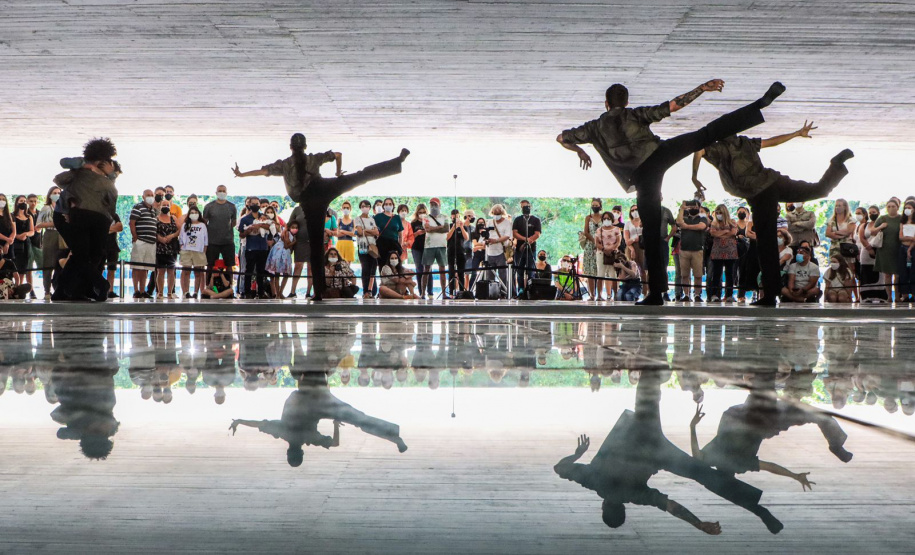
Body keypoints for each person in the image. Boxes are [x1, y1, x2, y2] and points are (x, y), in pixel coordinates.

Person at [559, 80, 783, 305]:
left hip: (642, 175)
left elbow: (561, 138)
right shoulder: (636, 114)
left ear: (606, 103)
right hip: (659, 155)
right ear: (626, 102)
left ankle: (656, 293)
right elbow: (674, 106)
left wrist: (579, 150)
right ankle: (760, 105)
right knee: (706, 133)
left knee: (652, 234)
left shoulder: (593, 127)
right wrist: (702, 88)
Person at [554, 371, 782, 535]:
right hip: (638, 431)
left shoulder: (635, 496)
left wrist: (698, 524)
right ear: (603, 507)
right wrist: (578, 453)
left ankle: (759, 509)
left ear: (622, 509)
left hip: (656, 450)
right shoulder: (593, 481)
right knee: (647, 391)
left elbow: (671, 506)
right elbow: (560, 468)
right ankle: (652, 359)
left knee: (700, 472)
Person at [692, 120, 853, 306]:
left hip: (761, 194)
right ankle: (836, 165)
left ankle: (769, 295)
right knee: (818, 190)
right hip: (774, 182)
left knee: (766, 245)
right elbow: (771, 141)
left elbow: (699, 151)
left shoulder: (723, 147)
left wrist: (694, 176)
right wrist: (795, 133)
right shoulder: (742, 142)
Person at [232, 133, 409, 300]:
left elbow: (262, 172)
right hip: (325, 188)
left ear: (291, 147)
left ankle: (318, 292)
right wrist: (338, 173)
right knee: (361, 176)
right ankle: (397, 163)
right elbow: (338, 154)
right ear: (305, 146)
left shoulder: (284, 164)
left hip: (309, 202)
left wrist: (241, 174)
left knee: (316, 248)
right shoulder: (313, 158)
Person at [51, 138, 120, 301]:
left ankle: (69, 289)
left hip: (87, 217)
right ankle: (96, 285)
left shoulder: (107, 180)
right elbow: (59, 179)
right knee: (82, 254)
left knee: (89, 255)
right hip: (67, 215)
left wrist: (111, 175)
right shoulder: (80, 172)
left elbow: (110, 200)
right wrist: (82, 165)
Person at [202, 184, 238, 284]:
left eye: (223, 191)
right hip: (212, 241)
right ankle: (208, 287)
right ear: (216, 192)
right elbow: (204, 221)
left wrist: (227, 229)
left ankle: (230, 287)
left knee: (230, 265)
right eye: (220, 190)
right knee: (209, 265)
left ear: (226, 193)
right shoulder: (209, 206)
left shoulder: (232, 206)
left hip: (228, 241)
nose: (221, 192)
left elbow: (234, 221)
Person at [238, 198, 271, 299]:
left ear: (260, 205)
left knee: (261, 271)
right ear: (249, 205)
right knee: (249, 270)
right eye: (253, 204)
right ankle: (247, 292)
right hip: (251, 248)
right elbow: (241, 235)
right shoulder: (245, 219)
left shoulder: (264, 217)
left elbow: (270, 227)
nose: (255, 205)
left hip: (263, 248)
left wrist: (260, 225)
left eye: (257, 204)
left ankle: (260, 292)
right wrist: (248, 231)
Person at [677, 199, 708, 302]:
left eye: (695, 206)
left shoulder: (702, 218)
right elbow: (678, 222)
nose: (693, 208)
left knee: (698, 274)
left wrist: (687, 227)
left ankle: (697, 295)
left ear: (699, 208)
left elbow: (702, 226)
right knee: (684, 274)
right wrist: (682, 208)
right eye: (691, 206)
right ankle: (686, 294)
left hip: (697, 249)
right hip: (684, 250)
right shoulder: (684, 217)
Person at [129, 189, 158, 298]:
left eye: (152, 195)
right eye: (148, 195)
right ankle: (136, 290)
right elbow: (132, 223)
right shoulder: (137, 207)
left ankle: (142, 290)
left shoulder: (154, 210)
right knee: (137, 267)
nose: (150, 197)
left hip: (151, 242)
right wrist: (135, 238)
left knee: (146, 267)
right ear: (143, 197)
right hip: (140, 241)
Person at [708, 205, 739, 302]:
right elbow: (713, 233)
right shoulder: (714, 223)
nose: (718, 215)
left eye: (720, 213)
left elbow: (733, 232)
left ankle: (729, 295)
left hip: (730, 252)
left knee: (730, 274)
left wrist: (720, 233)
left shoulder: (732, 222)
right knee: (717, 274)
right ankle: (715, 295)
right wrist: (725, 232)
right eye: (717, 213)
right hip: (717, 252)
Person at [873, 198, 901, 301]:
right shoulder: (882, 218)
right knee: (887, 275)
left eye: (893, 206)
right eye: (889, 206)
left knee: (897, 275)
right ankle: (889, 296)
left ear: (897, 207)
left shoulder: (901, 218)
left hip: (898, 249)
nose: (891, 208)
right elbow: (872, 232)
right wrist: (881, 226)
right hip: (884, 250)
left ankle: (897, 295)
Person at [36, 186, 61, 299]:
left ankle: (59, 288)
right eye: (54, 192)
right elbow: (38, 225)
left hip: (62, 236)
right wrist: (53, 224)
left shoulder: (63, 207)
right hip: (50, 235)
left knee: (60, 262)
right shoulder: (46, 208)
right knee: (48, 263)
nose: (57, 194)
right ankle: (47, 290)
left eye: (59, 193)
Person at [512, 199, 542, 295]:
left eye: (526, 206)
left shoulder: (536, 220)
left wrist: (529, 240)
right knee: (519, 271)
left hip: (531, 249)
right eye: (523, 207)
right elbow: (514, 233)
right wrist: (524, 239)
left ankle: (530, 290)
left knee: (531, 271)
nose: (525, 208)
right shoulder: (517, 219)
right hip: (519, 250)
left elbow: (537, 234)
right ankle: (520, 290)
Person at [178, 205, 208, 299]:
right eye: (192, 213)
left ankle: (195, 292)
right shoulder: (185, 225)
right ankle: (186, 292)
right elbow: (181, 238)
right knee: (186, 272)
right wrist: (182, 247)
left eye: (195, 213)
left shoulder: (202, 225)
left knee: (198, 273)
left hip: (198, 251)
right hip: (186, 251)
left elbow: (205, 239)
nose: (194, 214)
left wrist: (204, 251)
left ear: (199, 214)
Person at [856, 205, 884, 302]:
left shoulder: (883, 224)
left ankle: (879, 296)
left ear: (878, 213)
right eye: (870, 212)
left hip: (879, 252)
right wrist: (869, 248)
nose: (872, 214)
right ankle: (866, 297)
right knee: (866, 273)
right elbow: (862, 237)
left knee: (879, 275)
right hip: (866, 252)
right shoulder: (864, 225)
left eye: (874, 212)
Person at [421, 197, 449, 297]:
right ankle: (423, 293)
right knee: (426, 269)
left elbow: (446, 229)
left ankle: (444, 293)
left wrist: (435, 228)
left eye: (435, 204)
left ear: (439, 205)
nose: (433, 206)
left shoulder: (444, 217)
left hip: (442, 245)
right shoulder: (425, 217)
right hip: (429, 246)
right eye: (432, 204)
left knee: (442, 269)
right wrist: (439, 227)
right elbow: (427, 229)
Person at [354, 199, 380, 299]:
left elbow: (376, 232)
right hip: (363, 246)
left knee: (373, 268)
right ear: (360, 208)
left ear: (369, 207)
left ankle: (371, 290)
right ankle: (365, 291)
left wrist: (365, 231)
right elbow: (359, 232)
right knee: (365, 268)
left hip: (372, 246)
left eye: (367, 206)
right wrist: (370, 231)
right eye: (363, 206)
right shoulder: (357, 219)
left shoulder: (372, 219)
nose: (365, 208)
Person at [484, 204, 512, 293]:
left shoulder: (507, 222)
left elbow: (507, 236)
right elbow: (486, 234)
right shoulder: (489, 222)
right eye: (494, 214)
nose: (496, 216)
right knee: (489, 275)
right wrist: (487, 240)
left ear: (502, 213)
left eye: (498, 213)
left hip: (501, 252)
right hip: (490, 252)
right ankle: (490, 293)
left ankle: (504, 292)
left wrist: (495, 240)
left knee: (503, 275)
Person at [155, 200, 180, 300]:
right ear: (160, 206)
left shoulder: (173, 218)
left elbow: (179, 230)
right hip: (160, 248)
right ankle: (160, 293)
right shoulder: (156, 218)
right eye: (163, 205)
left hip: (171, 248)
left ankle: (170, 293)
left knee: (171, 271)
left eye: (167, 205)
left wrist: (172, 236)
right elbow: (153, 230)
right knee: (160, 271)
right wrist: (159, 238)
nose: (165, 206)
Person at [594, 211, 621, 301]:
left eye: (608, 218)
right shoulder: (599, 230)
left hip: (613, 254)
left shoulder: (617, 229)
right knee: (600, 275)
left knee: (613, 275)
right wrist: (604, 249)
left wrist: (611, 249)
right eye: (604, 218)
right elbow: (596, 242)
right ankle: (599, 295)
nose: (606, 220)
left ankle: (615, 295)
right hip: (601, 254)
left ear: (612, 219)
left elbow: (618, 241)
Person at [267, 220, 297, 298]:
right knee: (277, 273)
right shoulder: (286, 233)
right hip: (279, 253)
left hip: (285, 254)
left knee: (285, 274)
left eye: (296, 227)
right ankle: (278, 293)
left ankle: (280, 292)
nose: (295, 229)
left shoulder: (292, 235)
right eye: (293, 227)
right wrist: (294, 242)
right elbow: (286, 245)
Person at [286, 203, 310, 298]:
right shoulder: (297, 209)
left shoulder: (316, 207)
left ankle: (308, 292)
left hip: (312, 242)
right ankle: (293, 291)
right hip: (299, 241)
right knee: (298, 265)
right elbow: (289, 224)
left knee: (311, 268)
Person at [409, 203, 432, 298]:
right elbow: (410, 236)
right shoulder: (413, 223)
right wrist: (417, 233)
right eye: (420, 212)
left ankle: (430, 292)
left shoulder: (430, 221)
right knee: (419, 269)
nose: (422, 214)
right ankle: (421, 292)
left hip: (428, 247)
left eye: (424, 212)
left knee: (428, 270)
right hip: (416, 248)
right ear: (417, 213)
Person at [735, 206, 758, 302]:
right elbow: (748, 233)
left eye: (743, 211)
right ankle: (741, 295)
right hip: (748, 250)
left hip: (759, 250)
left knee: (757, 272)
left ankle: (758, 293)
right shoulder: (749, 223)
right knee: (743, 271)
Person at [11, 195, 35, 286]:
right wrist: (17, 236)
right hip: (15, 243)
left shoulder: (29, 216)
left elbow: (32, 231)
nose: (23, 203)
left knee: (23, 267)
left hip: (26, 244)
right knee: (15, 265)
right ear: (17, 203)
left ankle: (20, 287)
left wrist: (25, 234)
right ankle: (14, 286)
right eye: (21, 201)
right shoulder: (12, 215)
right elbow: (10, 230)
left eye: (25, 201)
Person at [623, 205, 646, 296]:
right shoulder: (628, 223)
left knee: (643, 270)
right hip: (631, 247)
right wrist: (632, 248)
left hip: (642, 247)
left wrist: (638, 238)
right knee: (630, 270)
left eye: (636, 209)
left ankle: (645, 291)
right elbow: (627, 240)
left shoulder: (644, 221)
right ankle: (630, 291)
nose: (634, 211)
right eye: (632, 210)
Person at [826, 199, 856, 268]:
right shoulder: (832, 220)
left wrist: (834, 233)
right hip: (834, 249)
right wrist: (841, 234)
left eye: (839, 205)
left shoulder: (850, 220)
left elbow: (849, 231)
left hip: (847, 249)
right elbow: (827, 233)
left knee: (849, 270)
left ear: (845, 207)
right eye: (836, 206)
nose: (837, 207)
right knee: (835, 269)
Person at [581, 198, 602, 298]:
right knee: (590, 271)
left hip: (602, 245)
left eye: (596, 205)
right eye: (593, 205)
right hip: (590, 245)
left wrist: (600, 243)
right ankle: (592, 295)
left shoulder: (604, 217)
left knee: (600, 270)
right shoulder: (588, 218)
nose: (594, 207)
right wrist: (594, 241)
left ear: (600, 206)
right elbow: (586, 231)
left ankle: (600, 295)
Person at [446, 209, 469, 297]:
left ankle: (461, 291)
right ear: (451, 217)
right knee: (451, 272)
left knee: (461, 272)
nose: (456, 218)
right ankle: (451, 292)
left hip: (461, 251)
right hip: (451, 251)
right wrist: (453, 227)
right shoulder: (449, 226)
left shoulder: (463, 226)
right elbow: (447, 237)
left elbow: (466, 238)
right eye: (454, 217)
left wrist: (461, 227)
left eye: (457, 216)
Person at [24, 194, 41, 298]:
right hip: (28, 243)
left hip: (39, 243)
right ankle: (31, 290)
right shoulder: (25, 214)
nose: (33, 203)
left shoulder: (40, 213)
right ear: (27, 202)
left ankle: (47, 289)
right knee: (28, 268)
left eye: (35, 201)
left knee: (43, 266)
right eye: (31, 201)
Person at [897, 199, 915, 302]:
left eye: (909, 208)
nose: (907, 210)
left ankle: (913, 294)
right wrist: (909, 238)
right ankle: (904, 294)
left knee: (913, 272)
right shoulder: (903, 222)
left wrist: (910, 248)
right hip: (903, 248)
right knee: (903, 272)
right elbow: (900, 237)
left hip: (913, 248)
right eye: (906, 208)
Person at [103, 213, 122, 298]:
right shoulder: (99, 214)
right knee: (99, 268)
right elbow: (98, 229)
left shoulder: (114, 215)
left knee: (112, 269)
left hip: (113, 246)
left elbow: (120, 227)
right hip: (101, 246)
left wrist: (106, 229)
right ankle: (98, 288)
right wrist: (112, 228)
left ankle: (110, 290)